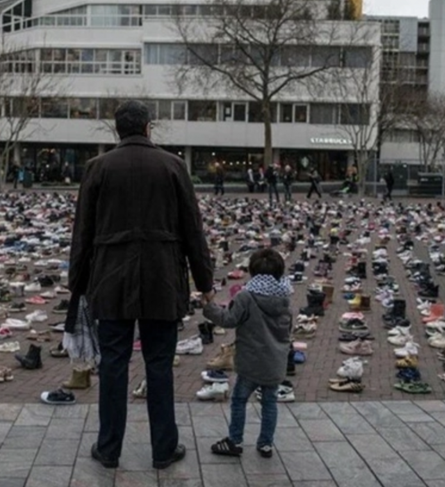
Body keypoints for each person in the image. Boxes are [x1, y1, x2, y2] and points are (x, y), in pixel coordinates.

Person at [67, 100, 214, 471]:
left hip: (110, 278)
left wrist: (77, 283)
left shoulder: (97, 168)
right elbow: (192, 231)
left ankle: (108, 448)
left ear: (118, 129)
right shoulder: (173, 166)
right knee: (159, 364)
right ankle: (164, 448)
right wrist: (205, 282)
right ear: (149, 127)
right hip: (161, 277)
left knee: (113, 364)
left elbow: (82, 232)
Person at [201, 248, 292, 459]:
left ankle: (235, 441)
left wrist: (209, 308)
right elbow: (288, 330)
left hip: (251, 362)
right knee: (269, 402)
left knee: (239, 400)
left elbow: (229, 320)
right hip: (275, 362)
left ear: (252, 270)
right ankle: (266, 444)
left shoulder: (247, 296)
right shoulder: (285, 297)